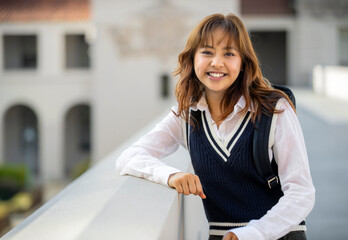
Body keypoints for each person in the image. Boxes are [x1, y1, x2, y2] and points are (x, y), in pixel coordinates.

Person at [116, 13, 315, 240]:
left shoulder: (275, 109)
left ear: (242, 63)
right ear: (192, 59)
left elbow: (302, 192)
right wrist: (170, 175)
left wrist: (252, 233)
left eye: (229, 54)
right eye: (207, 52)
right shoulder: (186, 116)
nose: (217, 62)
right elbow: (128, 157)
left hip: (277, 235)